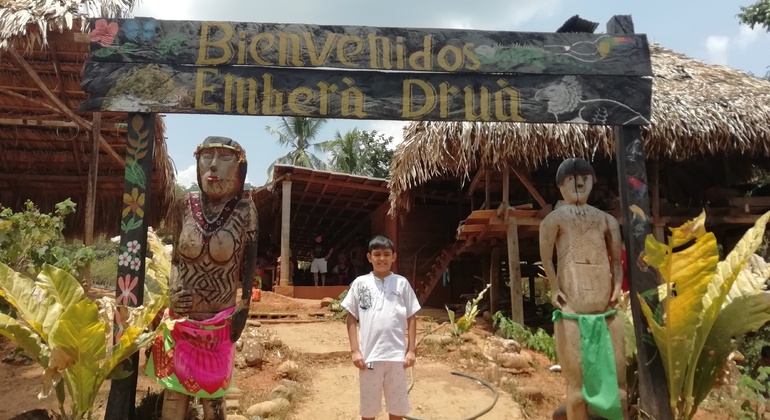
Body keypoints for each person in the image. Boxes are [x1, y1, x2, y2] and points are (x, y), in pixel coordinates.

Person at [146, 136, 258, 420]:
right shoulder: (184, 205)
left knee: (214, 400)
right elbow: (175, 259)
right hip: (182, 319)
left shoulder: (246, 210)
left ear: (239, 168)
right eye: (207, 157)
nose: (213, 165)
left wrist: (244, 308)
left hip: (218, 322)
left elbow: (249, 266)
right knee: (174, 396)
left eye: (225, 158)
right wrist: (173, 290)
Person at [540, 158, 627, 420]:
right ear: (560, 186)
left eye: (584, 177)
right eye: (570, 179)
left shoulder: (606, 220)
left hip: (607, 308)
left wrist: (617, 287)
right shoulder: (554, 220)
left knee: (620, 387)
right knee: (576, 390)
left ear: (593, 181)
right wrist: (555, 288)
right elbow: (546, 258)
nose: (578, 183)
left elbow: (616, 258)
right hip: (572, 311)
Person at [341, 235, 420, 420]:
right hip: (369, 357)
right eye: (377, 254)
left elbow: (411, 316)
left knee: (397, 408)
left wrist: (411, 351)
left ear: (394, 257)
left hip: (397, 357)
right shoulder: (360, 283)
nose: (382, 258)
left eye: (386, 254)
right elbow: (351, 317)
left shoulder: (402, 283)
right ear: (369, 257)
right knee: (368, 409)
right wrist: (355, 351)